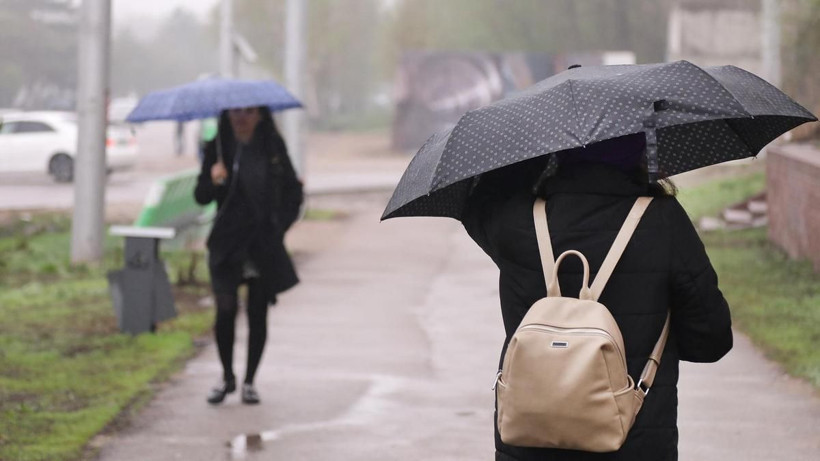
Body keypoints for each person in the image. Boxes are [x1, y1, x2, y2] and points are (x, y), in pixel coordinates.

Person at [461, 134, 733, 461]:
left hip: (529, 438)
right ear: (638, 147)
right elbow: (710, 341)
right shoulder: (662, 221)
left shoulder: (515, 219)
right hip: (634, 439)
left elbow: (478, 205)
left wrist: (534, 166)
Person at [194, 106, 303, 405]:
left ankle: (250, 381)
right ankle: (227, 376)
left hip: (261, 244)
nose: (241, 118)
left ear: (260, 115)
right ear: (226, 115)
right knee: (225, 309)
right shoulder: (217, 147)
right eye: (235, 112)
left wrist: (278, 227)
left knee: (257, 311)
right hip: (226, 244)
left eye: (248, 112)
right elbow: (201, 195)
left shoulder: (273, 147)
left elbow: (293, 192)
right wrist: (214, 180)